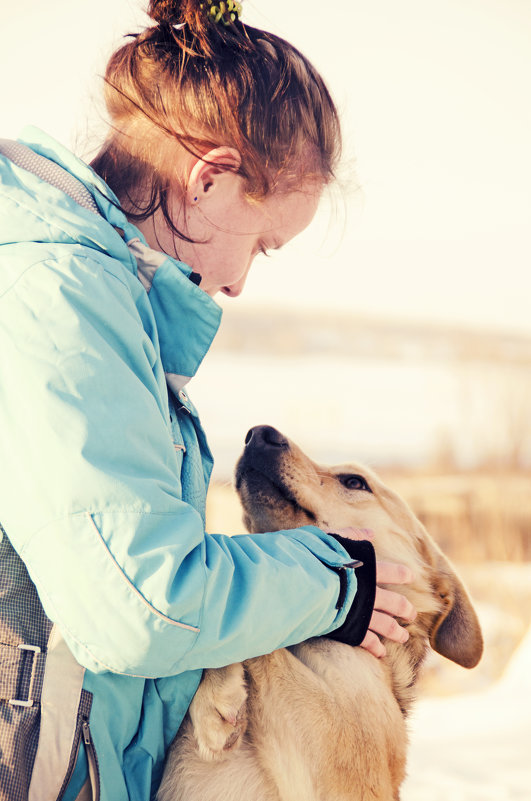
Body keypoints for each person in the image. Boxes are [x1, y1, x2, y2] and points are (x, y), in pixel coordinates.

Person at [0, 1, 416, 800]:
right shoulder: (59, 297)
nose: (237, 283)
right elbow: (139, 604)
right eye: (260, 244)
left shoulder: (107, 307)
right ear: (210, 177)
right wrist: (335, 579)